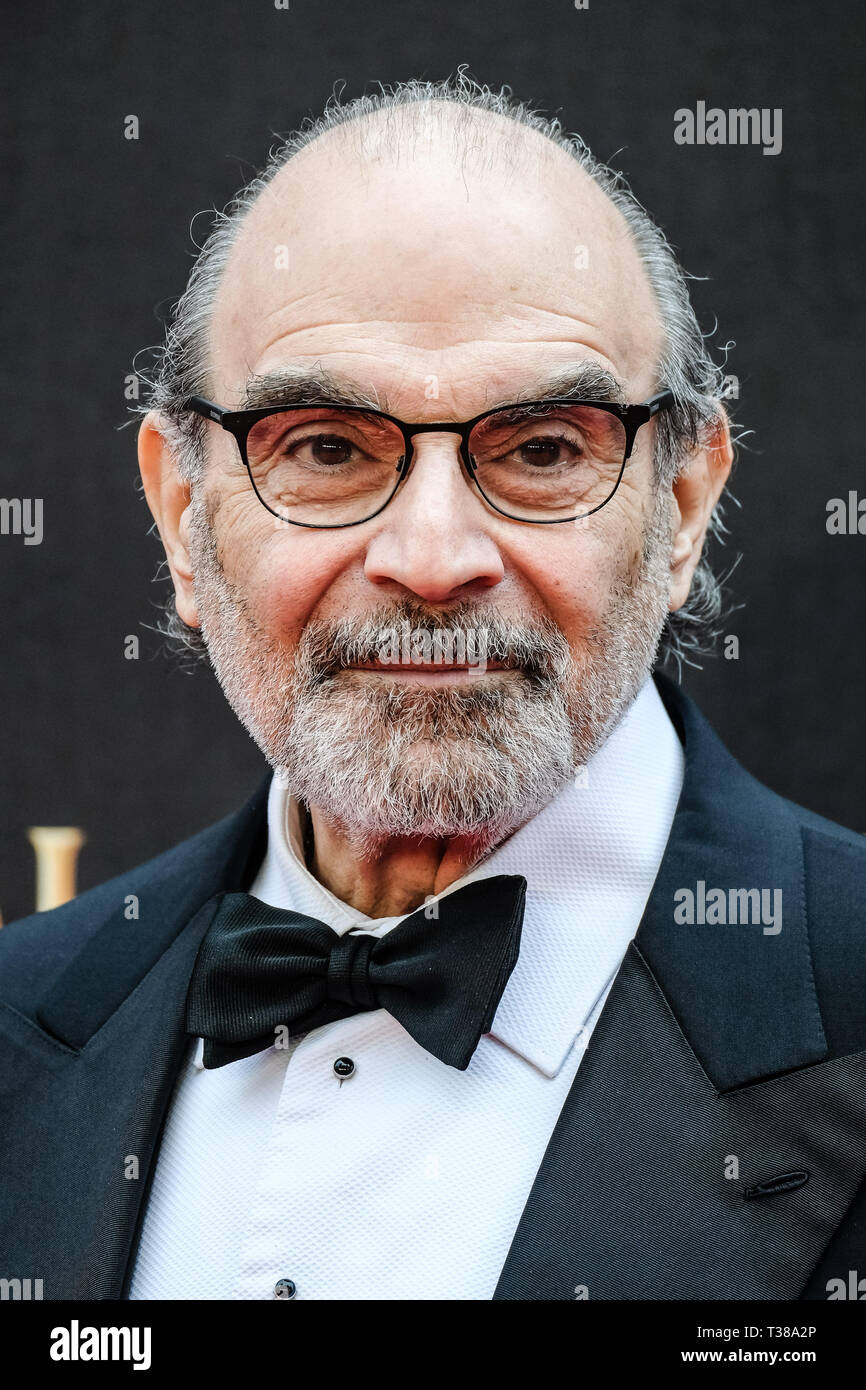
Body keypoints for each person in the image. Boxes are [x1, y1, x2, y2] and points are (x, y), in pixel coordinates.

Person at [2, 74, 865, 1302]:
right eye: (324, 448)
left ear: (679, 510)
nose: (430, 557)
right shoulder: (21, 1022)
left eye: (543, 449)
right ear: (185, 513)